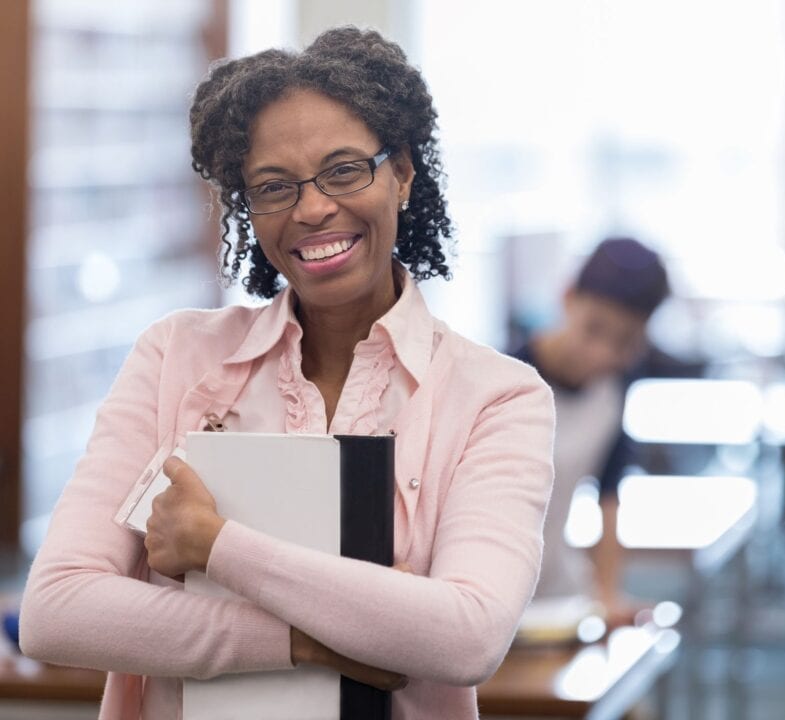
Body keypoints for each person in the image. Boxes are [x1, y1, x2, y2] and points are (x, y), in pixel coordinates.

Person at [19, 27, 554, 720]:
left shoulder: (497, 399)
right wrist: (308, 639)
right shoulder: (175, 357)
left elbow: (466, 636)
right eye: (274, 186)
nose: (311, 208)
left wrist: (217, 547)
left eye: (343, 170)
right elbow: (57, 611)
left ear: (402, 173)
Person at [512, 237, 676, 626]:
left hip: (560, 591)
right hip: (498, 596)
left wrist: (607, 594)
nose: (603, 354)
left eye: (625, 342)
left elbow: (609, 493)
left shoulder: (615, 386)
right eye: (594, 330)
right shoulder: (506, 376)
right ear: (568, 298)